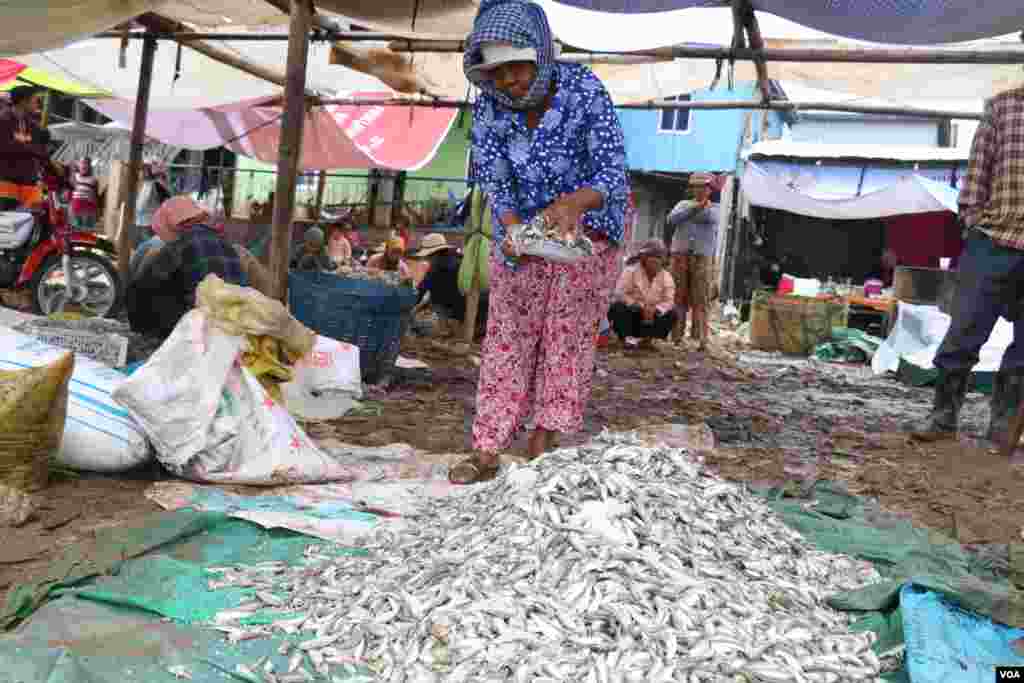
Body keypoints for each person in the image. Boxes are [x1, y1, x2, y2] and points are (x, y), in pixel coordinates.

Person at [451, 0, 628, 483]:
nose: (509, 82)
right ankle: (487, 449)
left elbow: (611, 171)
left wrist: (573, 205)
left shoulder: (585, 89)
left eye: (517, 69)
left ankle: (544, 442)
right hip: (525, 233)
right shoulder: (490, 106)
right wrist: (511, 227)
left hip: (587, 231)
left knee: (564, 336)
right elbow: (493, 175)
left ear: (542, 54)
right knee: (507, 338)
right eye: (497, 73)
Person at [911, 86, 1024, 447]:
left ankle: (1004, 425)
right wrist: (974, 223)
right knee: (965, 331)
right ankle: (943, 418)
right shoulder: (1003, 107)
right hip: (992, 240)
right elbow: (977, 172)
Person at [126, 195, 246, 339]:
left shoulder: (180, 243)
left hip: (205, 316)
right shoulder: (220, 239)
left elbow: (146, 283)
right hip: (238, 311)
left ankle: (154, 335)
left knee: (139, 288)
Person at [668, 172, 720, 350]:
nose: (699, 190)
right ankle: (676, 337)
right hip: (679, 255)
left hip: (702, 257)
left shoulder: (715, 209)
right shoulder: (682, 204)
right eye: (696, 186)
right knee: (678, 296)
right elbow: (672, 219)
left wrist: (693, 212)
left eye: (703, 187)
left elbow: (709, 218)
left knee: (701, 298)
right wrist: (696, 208)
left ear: (709, 190)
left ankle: (702, 339)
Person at [609, 240, 676, 348]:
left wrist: (656, 309)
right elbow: (619, 294)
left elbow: (669, 301)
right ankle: (627, 338)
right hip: (633, 313)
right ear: (644, 258)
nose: (656, 260)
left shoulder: (667, 277)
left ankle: (648, 339)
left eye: (659, 257)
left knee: (672, 313)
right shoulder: (630, 271)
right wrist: (639, 306)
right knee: (618, 307)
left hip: (652, 316)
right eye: (652, 256)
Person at [0, 86, 49, 211]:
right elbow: (5, 147)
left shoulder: (34, 126)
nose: (37, 103)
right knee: (7, 223)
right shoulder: (3, 121)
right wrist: (30, 149)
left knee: (32, 221)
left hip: (30, 182)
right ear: (23, 101)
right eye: (35, 99)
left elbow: (41, 151)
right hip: (6, 182)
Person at [135, 163, 170, 243]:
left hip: (147, 222)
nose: (139, 174)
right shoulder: (151, 185)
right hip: (149, 222)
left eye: (141, 172)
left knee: (150, 247)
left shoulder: (150, 185)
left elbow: (141, 206)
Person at [71, 157, 99, 230]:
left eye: (86, 163)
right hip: (76, 210)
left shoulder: (94, 179)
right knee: (76, 232)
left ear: (89, 166)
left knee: (88, 233)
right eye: (82, 163)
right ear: (79, 166)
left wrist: (96, 211)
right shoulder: (75, 177)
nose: (84, 165)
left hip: (89, 210)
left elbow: (96, 196)